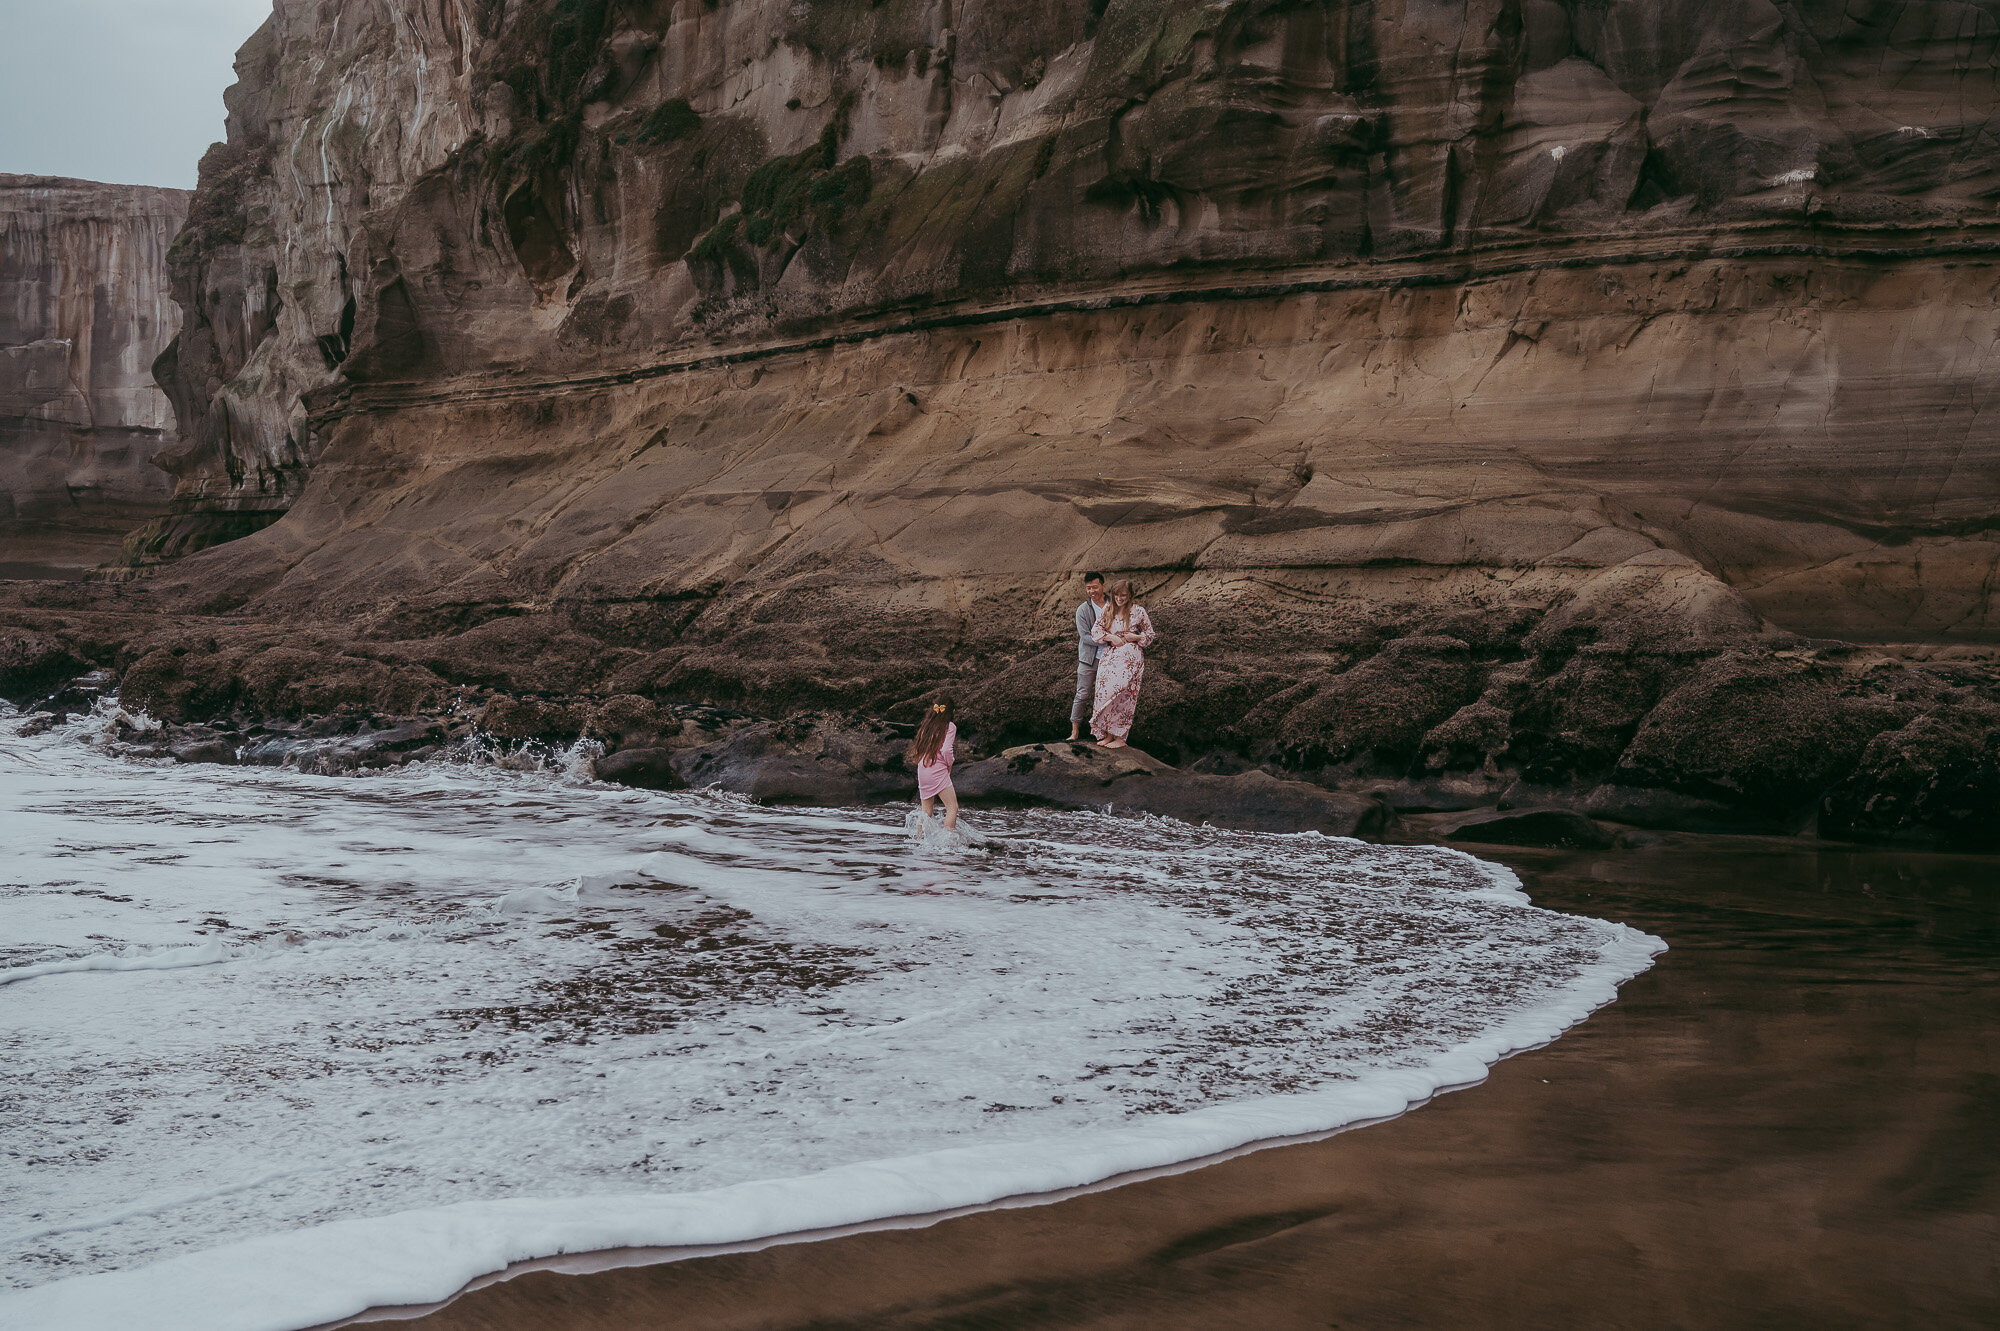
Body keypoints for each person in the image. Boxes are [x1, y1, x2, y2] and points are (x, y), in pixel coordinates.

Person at [1090, 580, 1155, 749]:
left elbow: (1150, 635)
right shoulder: (1108, 609)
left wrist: (1137, 637)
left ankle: (1120, 737)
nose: (1119, 598)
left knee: (1124, 696)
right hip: (1110, 657)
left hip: (1130, 658)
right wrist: (1111, 637)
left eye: (1123, 595)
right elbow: (1095, 631)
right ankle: (1108, 734)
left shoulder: (1139, 611)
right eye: (1117, 595)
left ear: (1130, 596)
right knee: (1106, 694)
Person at [1067, 571, 1107, 742]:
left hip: (1110, 659)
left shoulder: (1113, 605)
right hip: (1088, 659)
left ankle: (1103, 732)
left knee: (1105, 696)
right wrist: (1107, 640)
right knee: (1082, 694)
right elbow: (1084, 637)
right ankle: (1075, 731)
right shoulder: (1083, 610)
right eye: (1088, 588)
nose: (1092, 591)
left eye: (1095, 587)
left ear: (1103, 586)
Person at [909, 698, 959, 828]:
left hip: (922, 768)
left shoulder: (927, 726)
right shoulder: (950, 726)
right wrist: (950, 763)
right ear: (952, 711)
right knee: (952, 807)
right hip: (937, 770)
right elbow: (946, 750)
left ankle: (918, 840)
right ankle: (948, 841)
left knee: (926, 810)